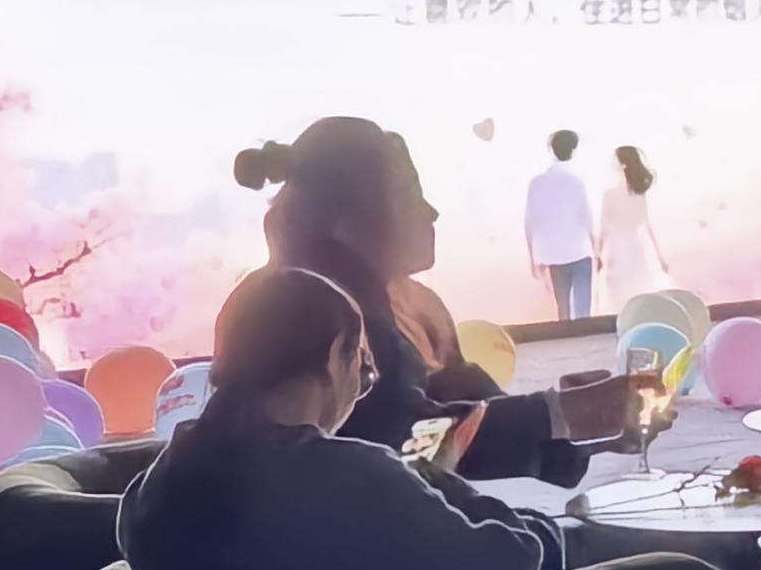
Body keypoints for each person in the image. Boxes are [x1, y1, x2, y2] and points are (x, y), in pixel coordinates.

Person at [121, 267, 564, 570]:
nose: (359, 388)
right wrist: (438, 480)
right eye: (363, 371)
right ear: (336, 354)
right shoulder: (357, 480)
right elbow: (516, 558)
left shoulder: (152, 491)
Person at [238, 114, 586, 487]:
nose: (430, 211)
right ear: (346, 218)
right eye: (408, 192)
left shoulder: (411, 306)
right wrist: (561, 413)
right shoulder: (312, 317)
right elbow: (407, 445)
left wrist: (579, 428)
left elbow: (459, 423)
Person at [525, 128, 595, 322]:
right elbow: (586, 219)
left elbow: (531, 223)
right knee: (583, 312)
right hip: (580, 252)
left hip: (553, 256)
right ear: (573, 150)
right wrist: (596, 249)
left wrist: (533, 258)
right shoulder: (577, 181)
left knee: (563, 311)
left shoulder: (537, 183)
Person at [595, 143, 673, 305]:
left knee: (618, 297)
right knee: (636, 293)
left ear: (622, 164)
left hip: (617, 250)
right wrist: (659, 258)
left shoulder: (610, 195)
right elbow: (647, 226)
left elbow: (604, 229)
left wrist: (598, 255)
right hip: (636, 249)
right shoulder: (639, 195)